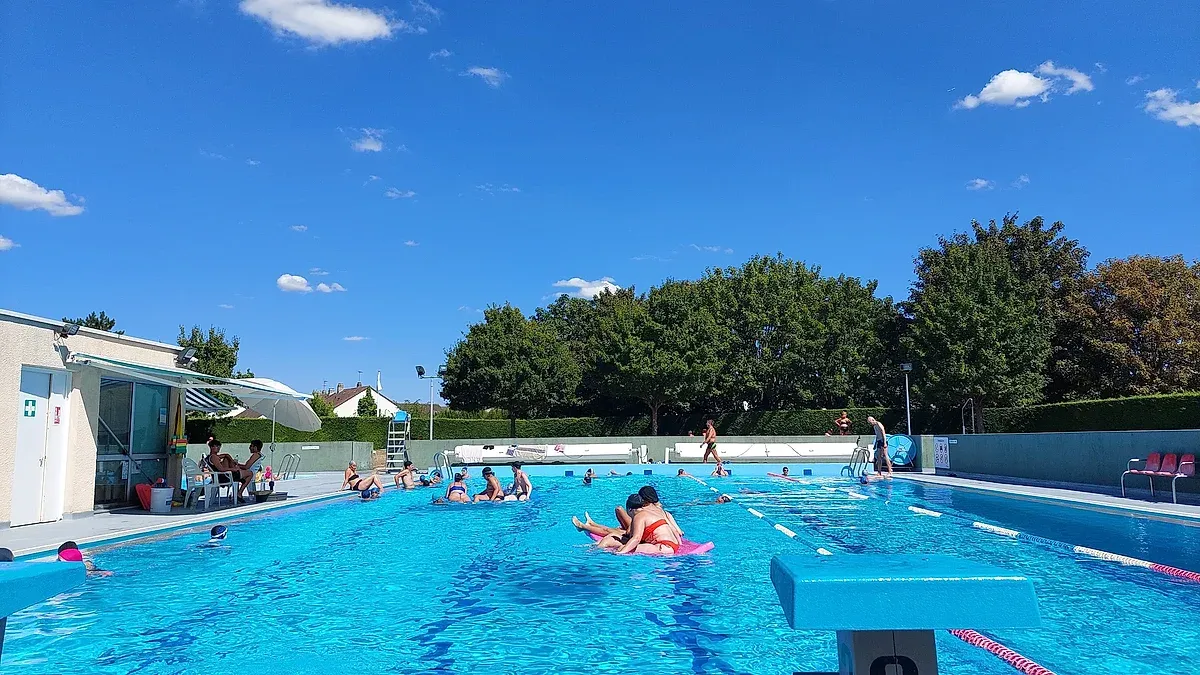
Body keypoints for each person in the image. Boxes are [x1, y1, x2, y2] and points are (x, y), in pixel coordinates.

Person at [618, 486, 683, 555]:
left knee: (622, 548)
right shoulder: (658, 511)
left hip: (663, 547)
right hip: (673, 544)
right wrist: (680, 544)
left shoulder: (639, 516)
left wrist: (621, 553)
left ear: (630, 510)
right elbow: (674, 530)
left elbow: (636, 538)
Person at [574, 493, 643, 549]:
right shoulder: (642, 514)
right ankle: (591, 524)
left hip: (639, 541)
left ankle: (583, 527)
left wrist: (622, 551)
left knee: (612, 533)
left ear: (630, 509)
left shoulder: (638, 517)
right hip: (638, 537)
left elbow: (635, 538)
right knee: (616, 531)